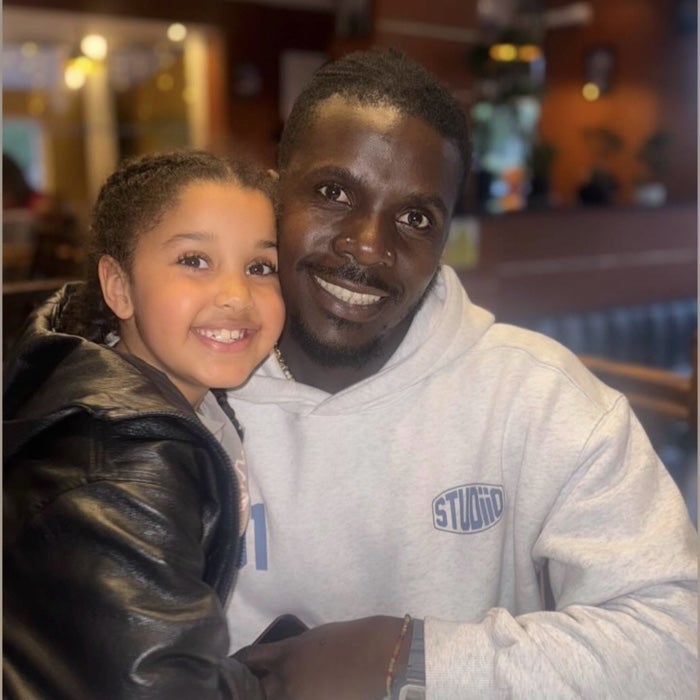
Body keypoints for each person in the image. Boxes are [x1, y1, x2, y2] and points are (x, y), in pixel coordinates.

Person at [225, 49, 698, 699]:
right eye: (334, 192)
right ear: (274, 192)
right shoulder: (180, 382)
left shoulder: (541, 399)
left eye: (415, 218)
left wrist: (416, 661)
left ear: (445, 238)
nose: (369, 245)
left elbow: (679, 643)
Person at [3, 150, 286, 698]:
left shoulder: (168, 396)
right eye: (194, 260)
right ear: (119, 286)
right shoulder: (123, 463)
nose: (236, 295)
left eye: (260, 267)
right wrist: (288, 681)